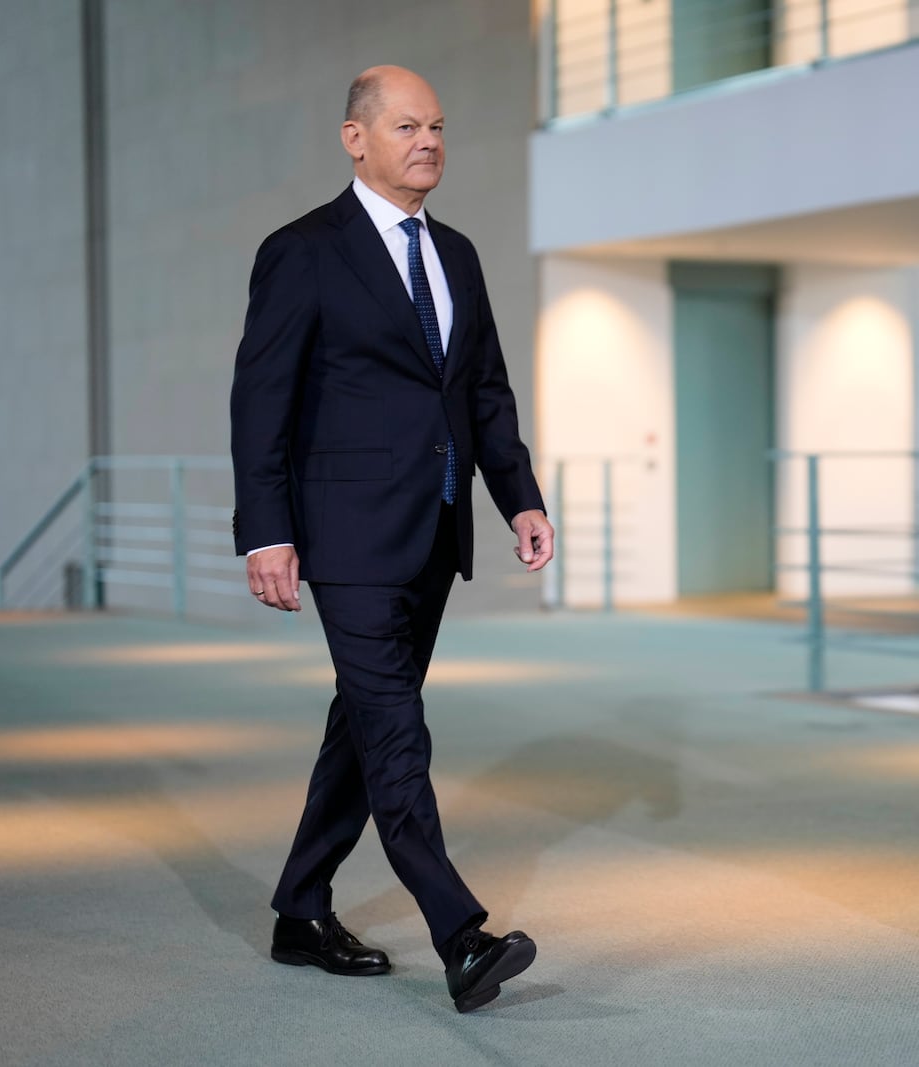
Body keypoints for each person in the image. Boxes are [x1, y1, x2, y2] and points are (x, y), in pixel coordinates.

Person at [229, 65, 554, 1014]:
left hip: (433, 535)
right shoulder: (303, 251)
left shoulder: (455, 253)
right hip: (347, 538)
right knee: (398, 731)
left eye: (440, 127)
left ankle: (300, 908)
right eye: (409, 126)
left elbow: (483, 390)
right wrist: (267, 533)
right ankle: (462, 935)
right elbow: (262, 402)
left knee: (365, 725)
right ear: (354, 138)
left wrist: (519, 498)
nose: (429, 142)